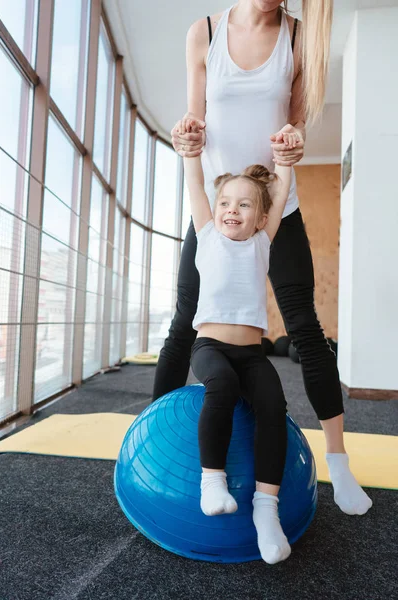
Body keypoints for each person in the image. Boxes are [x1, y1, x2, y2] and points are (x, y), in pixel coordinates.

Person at [153, 0, 372, 517]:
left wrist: (295, 137)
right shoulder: (203, 32)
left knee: (305, 328)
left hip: (276, 208)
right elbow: (194, 114)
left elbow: (294, 120)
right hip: (221, 209)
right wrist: (186, 129)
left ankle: (338, 463)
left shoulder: (297, 37)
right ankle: (153, 442)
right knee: (184, 323)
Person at [183, 115, 293, 564]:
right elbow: (195, 181)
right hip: (209, 348)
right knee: (222, 388)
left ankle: (267, 509)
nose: (232, 209)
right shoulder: (208, 236)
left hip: (252, 353)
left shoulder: (262, 243)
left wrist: (286, 156)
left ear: (262, 218)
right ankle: (213, 480)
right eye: (225, 202)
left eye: (244, 205)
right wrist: (191, 149)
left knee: (273, 404)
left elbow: (282, 190)